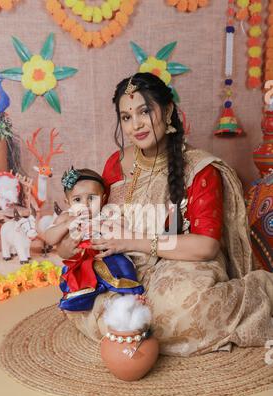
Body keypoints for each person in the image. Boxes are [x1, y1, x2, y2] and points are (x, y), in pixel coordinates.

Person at [57, 72, 273, 356]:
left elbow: (206, 246)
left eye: (145, 111)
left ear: (168, 110)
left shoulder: (199, 169)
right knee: (84, 294)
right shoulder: (116, 164)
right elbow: (95, 224)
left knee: (174, 309)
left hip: (184, 262)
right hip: (129, 265)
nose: (136, 125)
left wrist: (132, 241)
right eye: (126, 117)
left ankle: (261, 295)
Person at [45, 167, 144, 312]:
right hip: (82, 260)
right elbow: (49, 237)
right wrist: (66, 225)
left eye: (91, 198)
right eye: (77, 199)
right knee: (78, 276)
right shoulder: (67, 217)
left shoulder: (106, 213)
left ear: (103, 198)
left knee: (120, 265)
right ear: (68, 202)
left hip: (106, 255)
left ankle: (129, 296)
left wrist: (106, 225)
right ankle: (84, 299)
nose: (85, 204)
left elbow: (124, 227)